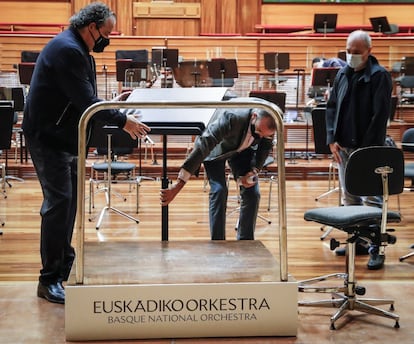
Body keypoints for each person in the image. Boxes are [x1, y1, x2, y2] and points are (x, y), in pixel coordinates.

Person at [22, 2, 150, 304]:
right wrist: (123, 120)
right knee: (59, 203)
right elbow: (84, 101)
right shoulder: (67, 49)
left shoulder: (78, 49)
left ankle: (64, 263)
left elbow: (83, 97)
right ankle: (49, 278)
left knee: (69, 203)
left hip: (67, 138)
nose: (107, 39)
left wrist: (110, 103)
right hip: (48, 137)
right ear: (91, 27)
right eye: (106, 33)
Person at [160, 102, 276, 240]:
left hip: (242, 151)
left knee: (253, 193)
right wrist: (178, 185)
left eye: (265, 135)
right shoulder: (232, 117)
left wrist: (254, 170)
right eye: (259, 132)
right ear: (254, 117)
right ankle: (218, 242)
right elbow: (205, 145)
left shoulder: (272, 120)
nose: (261, 137)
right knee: (219, 190)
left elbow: (265, 148)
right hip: (215, 149)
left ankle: (246, 242)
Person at [326, 30, 393, 270]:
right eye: (349, 51)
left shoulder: (380, 76)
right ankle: (361, 242)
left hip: (368, 149)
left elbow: (380, 116)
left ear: (368, 52)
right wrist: (331, 138)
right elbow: (332, 107)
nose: (351, 56)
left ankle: (377, 248)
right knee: (350, 197)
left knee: (373, 200)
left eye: (357, 52)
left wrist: (366, 152)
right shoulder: (342, 73)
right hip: (343, 147)